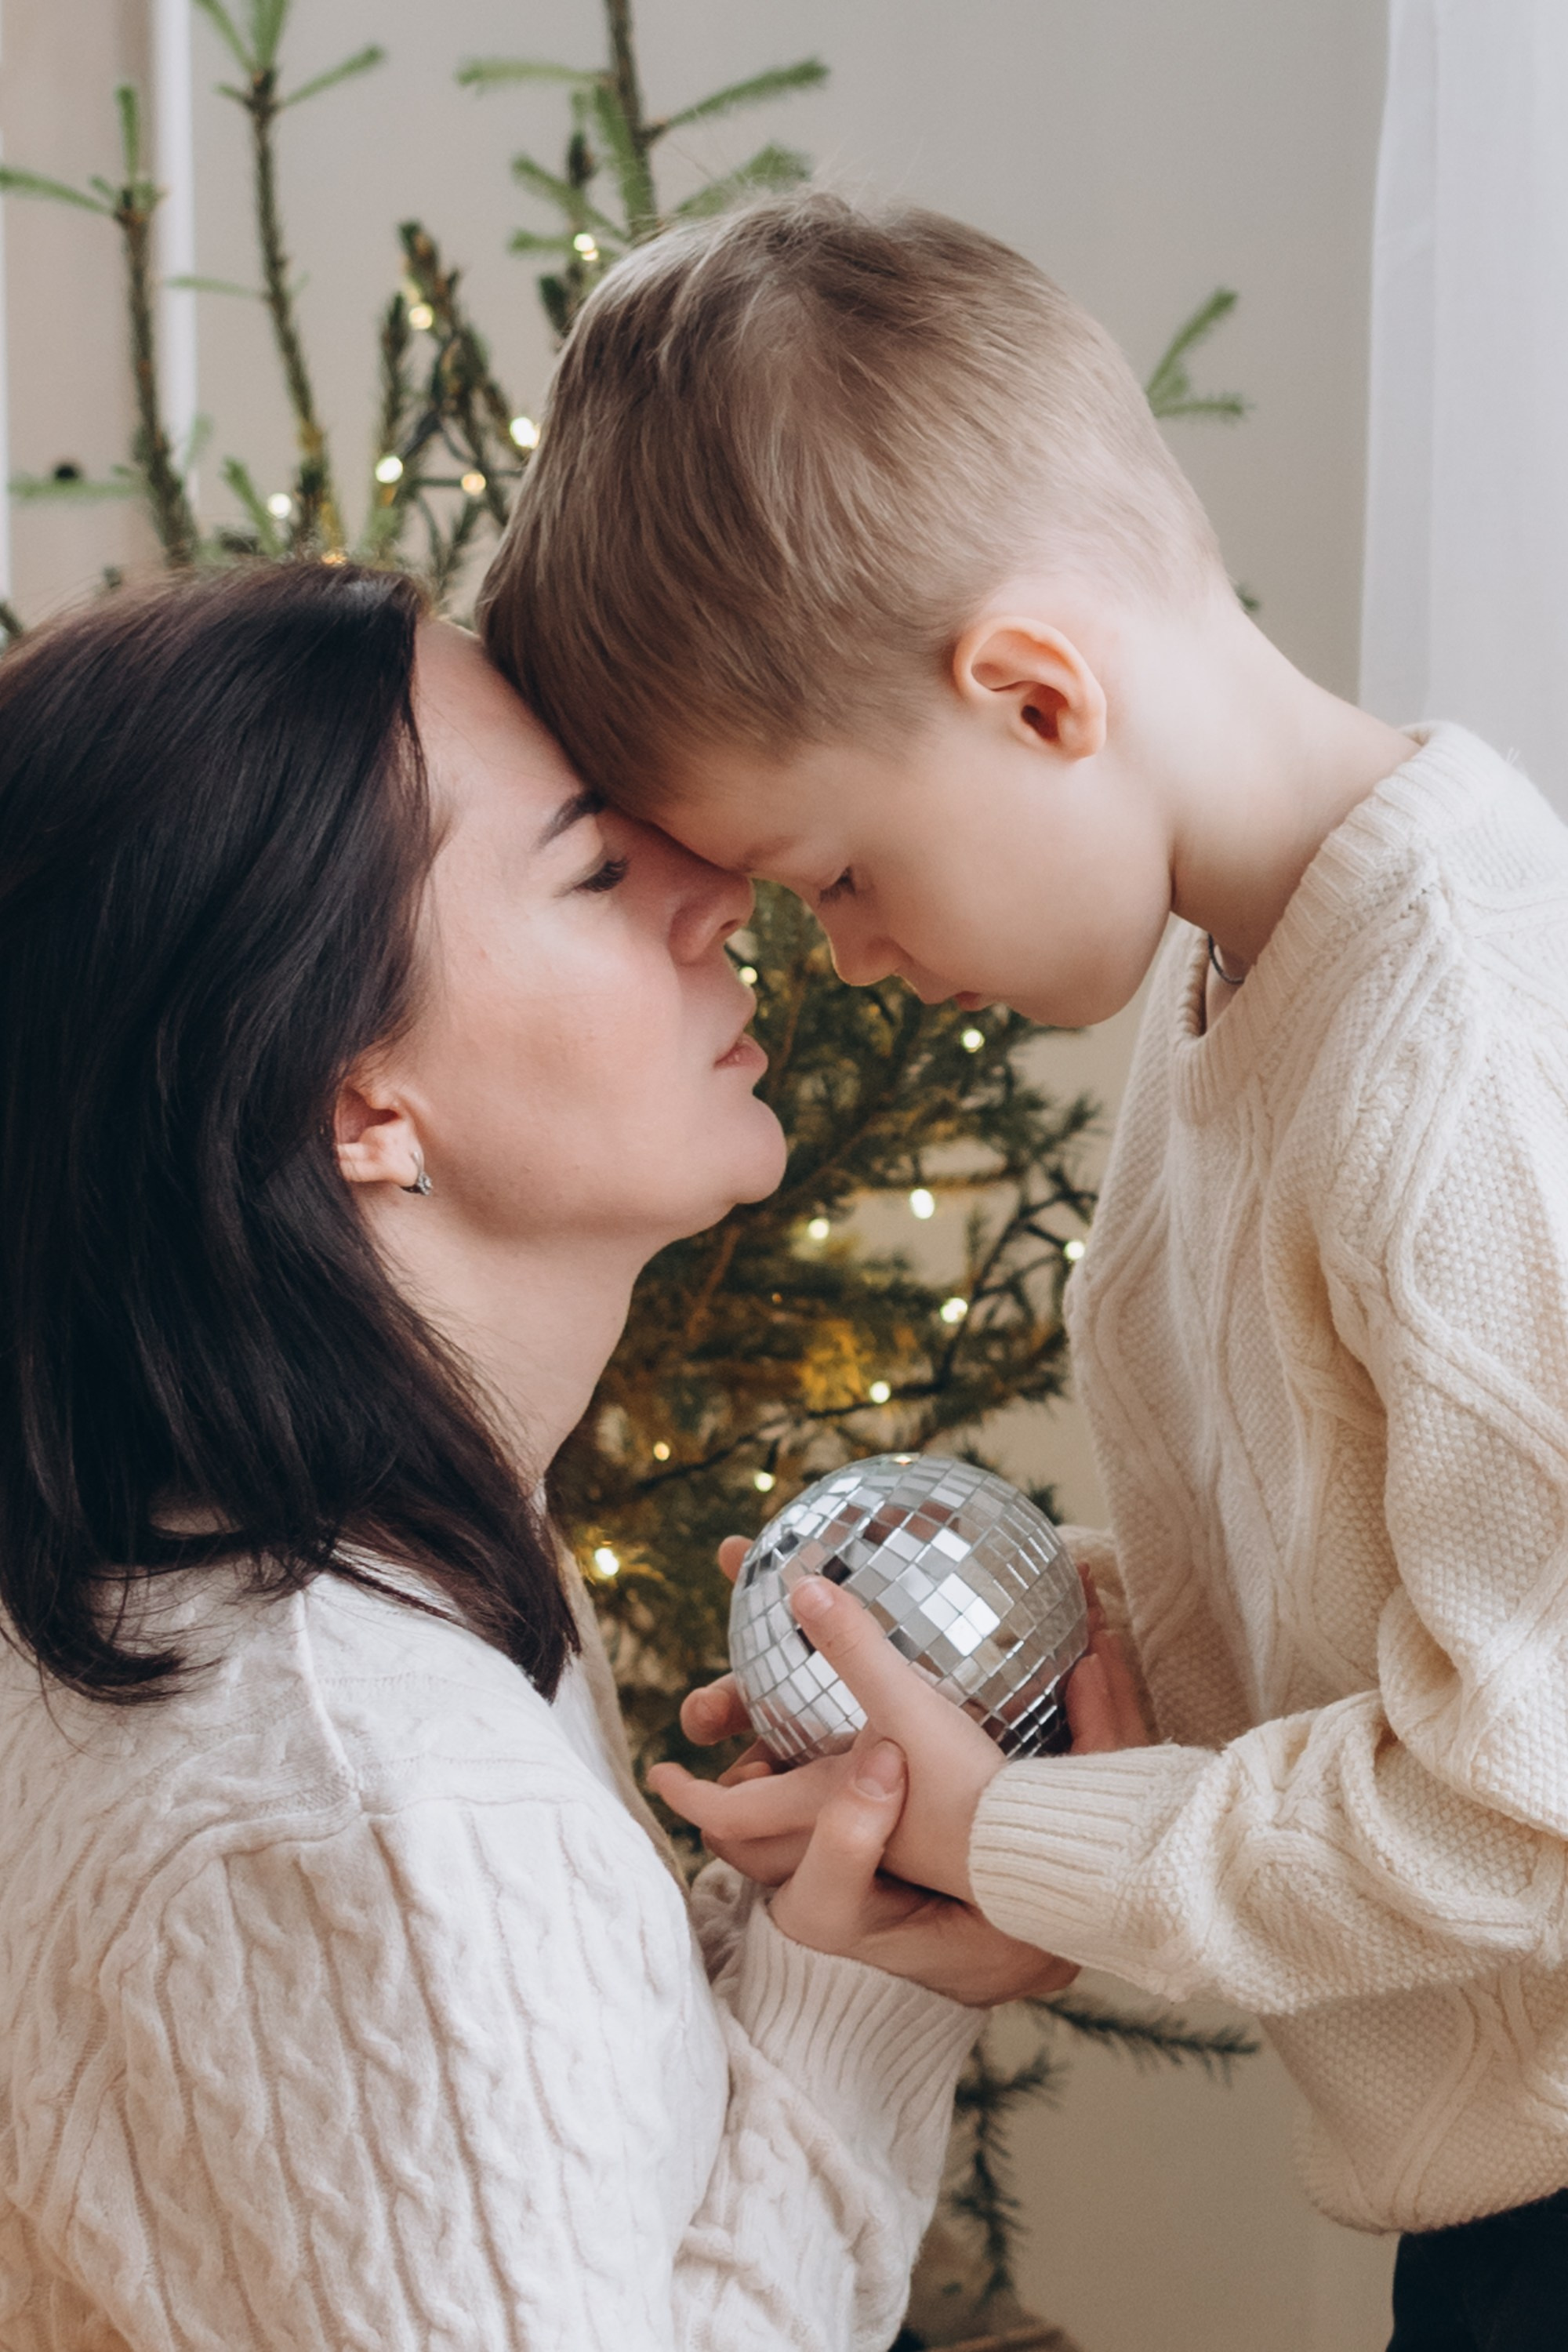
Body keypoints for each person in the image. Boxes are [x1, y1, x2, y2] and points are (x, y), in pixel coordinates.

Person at [478, 189, 1568, 2350]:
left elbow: (1529, 1794)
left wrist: (1026, 1844)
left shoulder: (1457, 1050)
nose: (847, 951)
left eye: (839, 874)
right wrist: (971, 1711)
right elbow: (1371, 1575)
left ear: (1038, 694)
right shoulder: (1235, 991)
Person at [0, 561, 1069, 2352]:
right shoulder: (389, 1819)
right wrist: (853, 2008)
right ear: (355, 1101)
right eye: (592, 866)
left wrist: (813, 1927)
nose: (719, 890)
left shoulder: (284, 1574)